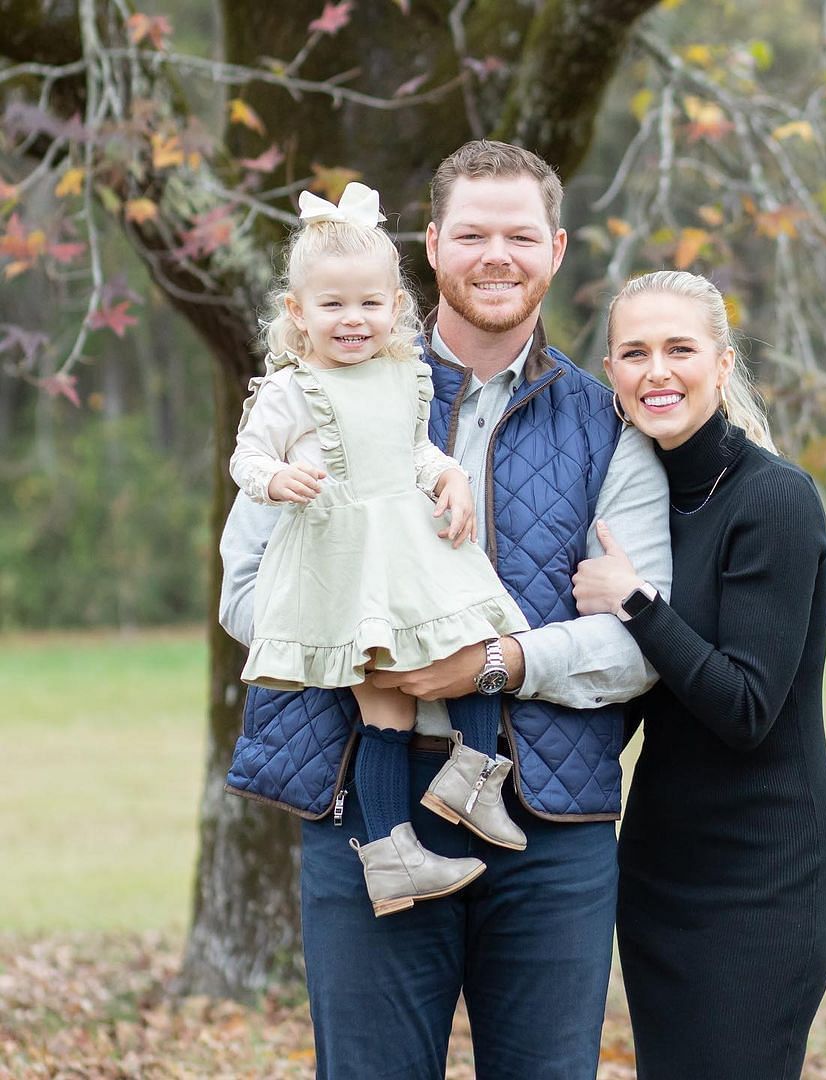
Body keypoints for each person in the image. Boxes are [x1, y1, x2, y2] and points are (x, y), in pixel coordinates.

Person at [218, 141, 672, 1079]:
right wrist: (362, 643)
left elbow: (638, 641)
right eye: (471, 233)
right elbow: (243, 593)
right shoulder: (322, 392)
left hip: (548, 818)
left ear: (554, 248)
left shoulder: (609, 424)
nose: (494, 255)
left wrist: (491, 665)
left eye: (518, 235)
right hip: (363, 807)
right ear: (431, 245)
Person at [573, 270, 826, 1079]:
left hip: (767, 871)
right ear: (612, 373)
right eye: (634, 353)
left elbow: (746, 707)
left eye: (679, 349)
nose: (656, 371)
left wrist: (637, 603)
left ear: (722, 365)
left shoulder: (775, 499)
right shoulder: (636, 499)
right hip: (660, 868)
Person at [229, 181, 532, 917]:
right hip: (344, 566)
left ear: (396, 306)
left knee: (472, 631)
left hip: (411, 547)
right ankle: (392, 854)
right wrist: (279, 478)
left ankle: (472, 771)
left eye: (369, 303)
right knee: (385, 709)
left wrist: (450, 473)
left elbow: (415, 454)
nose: (353, 320)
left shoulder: (407, 375)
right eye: (332, 306)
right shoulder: (291, 388)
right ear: (298, 314)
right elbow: (246, 460)